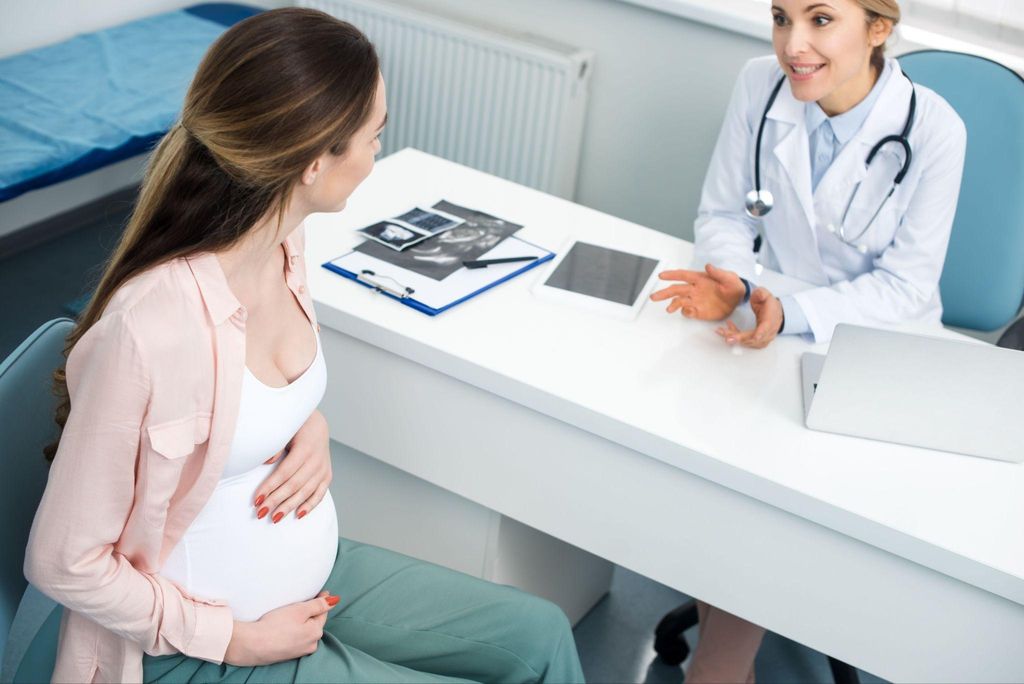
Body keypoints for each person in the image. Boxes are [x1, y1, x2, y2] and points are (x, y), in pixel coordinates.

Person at [24, 9, 584, 684]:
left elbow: (242, 403)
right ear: (315, 163)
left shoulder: (286, 246)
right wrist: (232, 640)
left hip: (309, 584)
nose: (379, 155)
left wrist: (305, 425)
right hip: (189, 647)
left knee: (540, 634)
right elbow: (62, 560)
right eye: (375, 138)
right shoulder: (151, 328)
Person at [649, 0, 965, 681]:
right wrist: (733, 280)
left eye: (821, 20)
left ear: (879, 29)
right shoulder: (758, 84)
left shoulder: (935, 130)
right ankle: (731, 648)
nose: (794, 44)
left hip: (877, 354)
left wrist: (783, 312)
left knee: (755, 500)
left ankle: (723, 663)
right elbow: (723, 212)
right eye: (781, 16)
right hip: (763, 329)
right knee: (707, 465)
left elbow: (905, 289)